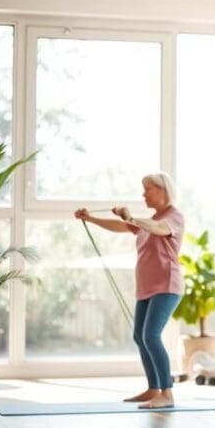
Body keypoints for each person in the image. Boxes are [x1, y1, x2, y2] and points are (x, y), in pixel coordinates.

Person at [75, 172, 184, 409]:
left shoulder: (173, 217)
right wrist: (90, 218)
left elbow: (159, 228)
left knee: (151, 336)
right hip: (146, 287)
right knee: (139, 336)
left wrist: (132, 217)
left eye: (148, 189)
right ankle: (153, 388)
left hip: (166, 285)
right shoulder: (149, 220)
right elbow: (121, 226)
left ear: (162, 190)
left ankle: (167, 393)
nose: (144, 194)